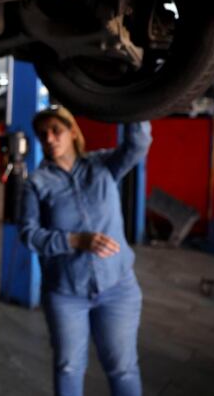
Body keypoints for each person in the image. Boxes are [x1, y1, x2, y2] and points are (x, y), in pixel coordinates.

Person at [19, 105, 152, 396]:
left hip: (118, 288)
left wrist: (137, 100)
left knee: (123, 368)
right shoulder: (37, 184)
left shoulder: (103, 165)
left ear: (72, 132)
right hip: (66, 294)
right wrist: (75, 240)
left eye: (56, 130)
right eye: (43, 134)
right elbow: (29, 236)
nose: (50, 138)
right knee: (68, 368)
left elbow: (138, 143)